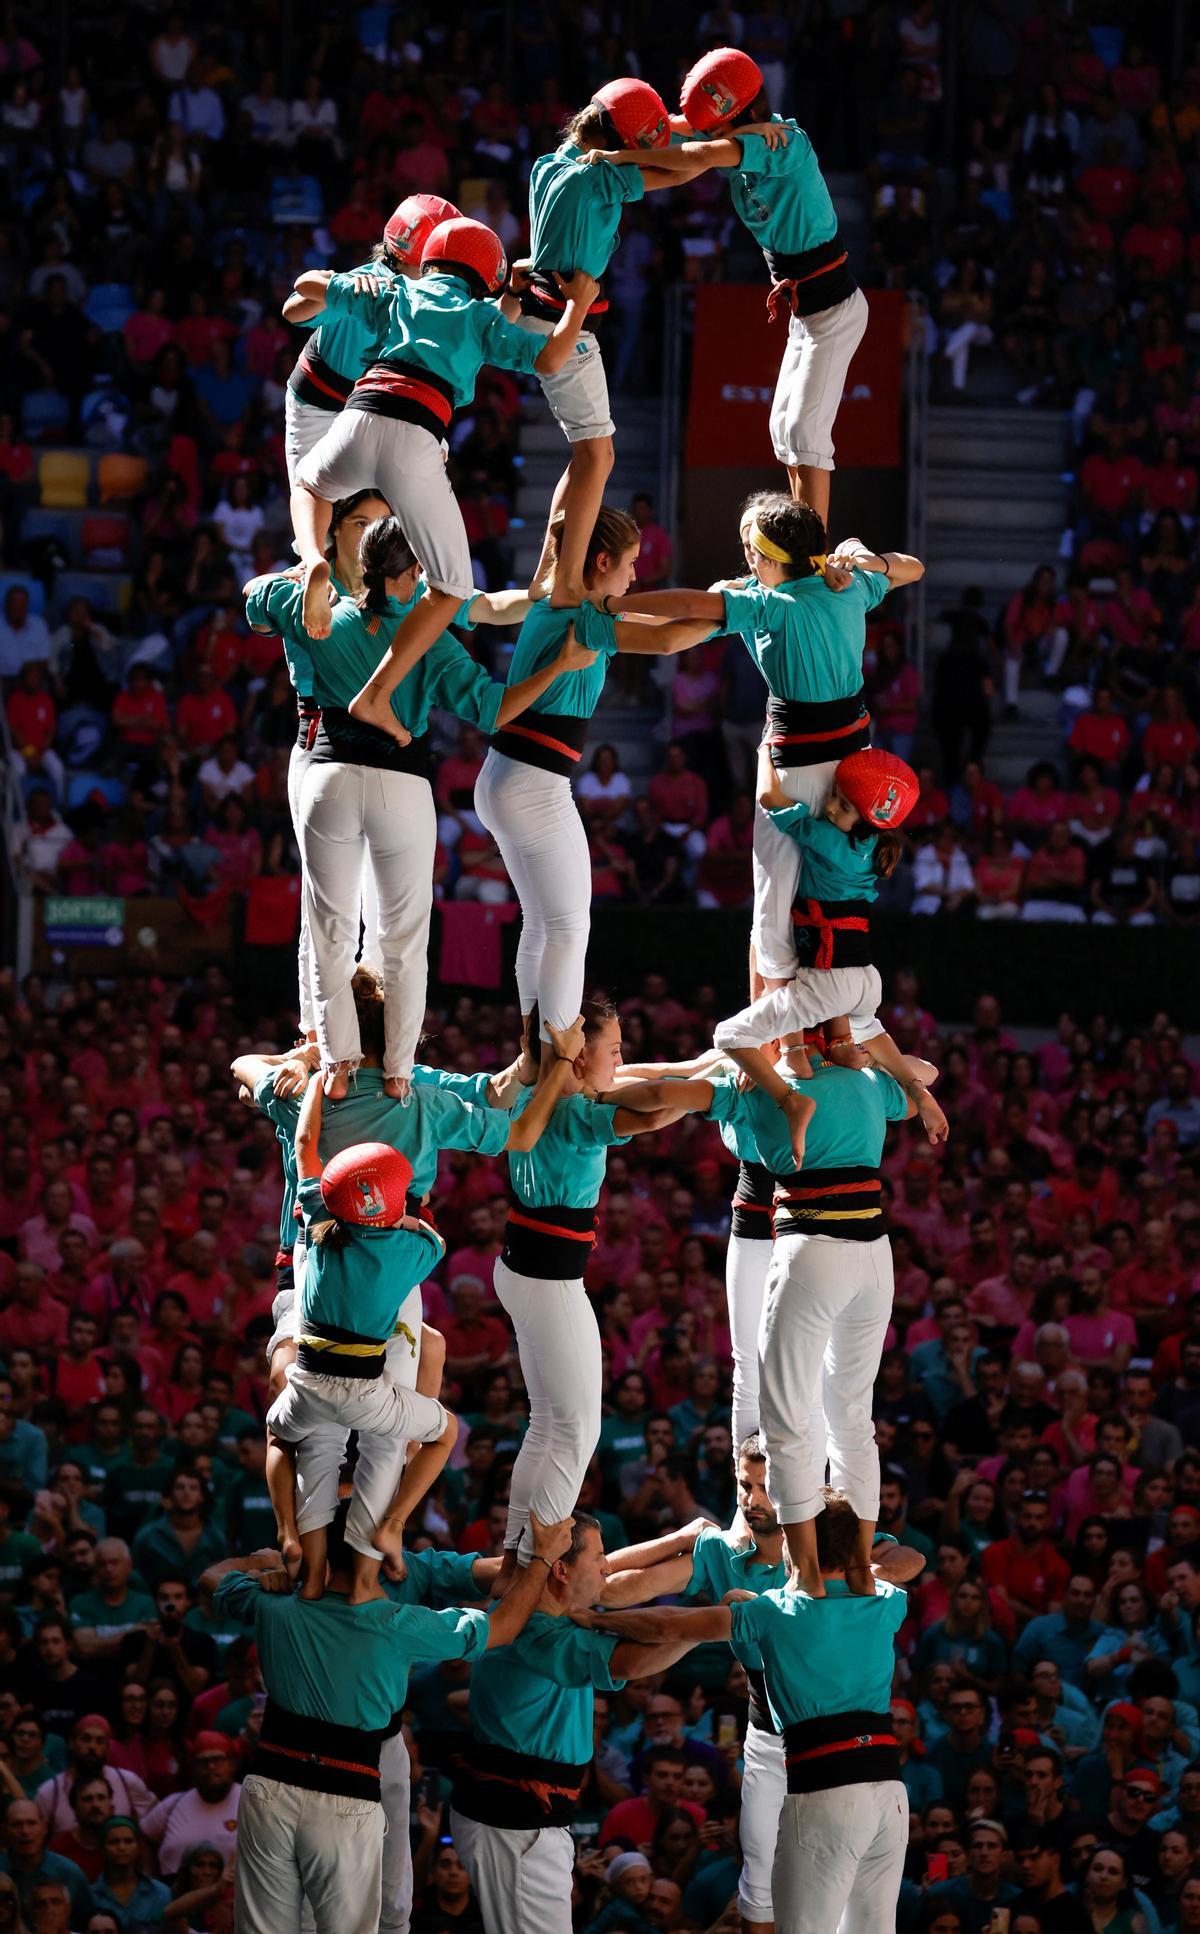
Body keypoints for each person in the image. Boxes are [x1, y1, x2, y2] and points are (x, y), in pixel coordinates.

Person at [244, 513, 593, 1096]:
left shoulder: (320, 610)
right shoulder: (430, 636)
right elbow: (494, 709)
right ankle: (399, 1071)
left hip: (325, 776)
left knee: (329, 925)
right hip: (398, 785)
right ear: (409, 576)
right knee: (403, 935)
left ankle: (337, 1062)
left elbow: (254, 600)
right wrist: (558, 665)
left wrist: (304, 578)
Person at [268, 1037, 577, 1593]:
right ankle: (380, 1545)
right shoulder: (414, 1247)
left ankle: (301, 1555)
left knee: (301, 1443)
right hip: (366, 1387)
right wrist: (551, 1059)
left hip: (309, 1381)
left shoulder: (315, 1221)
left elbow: (302, 1138)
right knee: (418, 1433)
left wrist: (306, 1069)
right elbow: (519, 1127)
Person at [601, 495, 923, 997]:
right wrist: (861, 560)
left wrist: (610, 606)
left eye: (749, 548)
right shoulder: (846, 585)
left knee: (774, 895)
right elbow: (913, 567)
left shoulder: (767, 603)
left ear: (769, 558)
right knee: (832, 893)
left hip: (796, 763)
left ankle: (786, 1039)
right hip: (852, 767)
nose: (744, 556)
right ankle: (826, 1028)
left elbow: (682, 612)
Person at [201, 1501, 572, 1934]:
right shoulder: (395, 1623)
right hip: (342, 1800)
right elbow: (504, 1627)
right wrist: (544, 1559)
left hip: (269, 1789)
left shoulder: (273, 1605)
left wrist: (261, 1562)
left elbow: (211, 1579)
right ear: (375, 1554)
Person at [288, 219, 597, 705]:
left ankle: (311, 562)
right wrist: (578, 303)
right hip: (416, 435)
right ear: (486, 277)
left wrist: (349, 278)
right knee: (450, 591)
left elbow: (305, 287)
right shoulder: (480, 318)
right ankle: (377, 695)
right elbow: (550, 358)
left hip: (359, 413)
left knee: (308, 487)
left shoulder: (395, 291)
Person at [586, 1490, 911, 1934]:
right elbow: (896, 1569)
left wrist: (595, 1619)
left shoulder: (778, 1611)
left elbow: (666, 1624)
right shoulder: (888, 1601)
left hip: (827, 1794)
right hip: (890, 1797)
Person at [587, 48, 865, 522]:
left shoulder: (783, 142)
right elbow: (677, 128)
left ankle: (811, 561)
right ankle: (802, 543)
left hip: (835, 309)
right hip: (806, 314)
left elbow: (700, 152)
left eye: (717, 126)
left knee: (804, 432)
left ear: (743, 116)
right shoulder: (746, 128)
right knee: (784, 431)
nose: (709, 131)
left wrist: (620, 156)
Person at [473, 505, 711, 1054]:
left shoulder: (562, 602)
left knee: (544, 921)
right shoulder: (582, 616)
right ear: (601, 561)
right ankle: (558, 1054)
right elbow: (671, 640)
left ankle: (538, 1048)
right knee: (569, 927)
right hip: (534, 782)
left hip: (508, 775)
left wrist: (731, 606)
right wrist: (744, 612)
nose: (634, 577)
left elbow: (657, 622)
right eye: (629, 565)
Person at [486, 998, 703, 1570]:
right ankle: (539, 1563)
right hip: (550, 1281)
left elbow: (642, 1077)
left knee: (547, 1422)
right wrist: (718, 1091)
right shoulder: (580, 1115)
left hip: (524, 1269)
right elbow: (655, 1108)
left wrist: (707, 1064)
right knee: (579, 1429)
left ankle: (516, 1549)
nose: (622, 1058)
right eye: (613, 1049)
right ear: (580, 1058)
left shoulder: (538, 1091)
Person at [448, 1513, 712, 1934]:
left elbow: (618, 1569)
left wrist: (682, 1539)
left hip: (526, 1821)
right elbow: (634, 1660)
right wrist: (714, 1622)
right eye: (600, 1556)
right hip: (516, 1825)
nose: (608, 1565)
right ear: (561, 1570)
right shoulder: (535, 1631)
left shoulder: (540, 1606)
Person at [280, 193, 460, 485]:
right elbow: (292, 311)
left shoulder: (442, 298)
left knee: (393, 520)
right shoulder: (364, 282)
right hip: (318, 407)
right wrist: (340, 291)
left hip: (381, 409)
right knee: (315, 519)